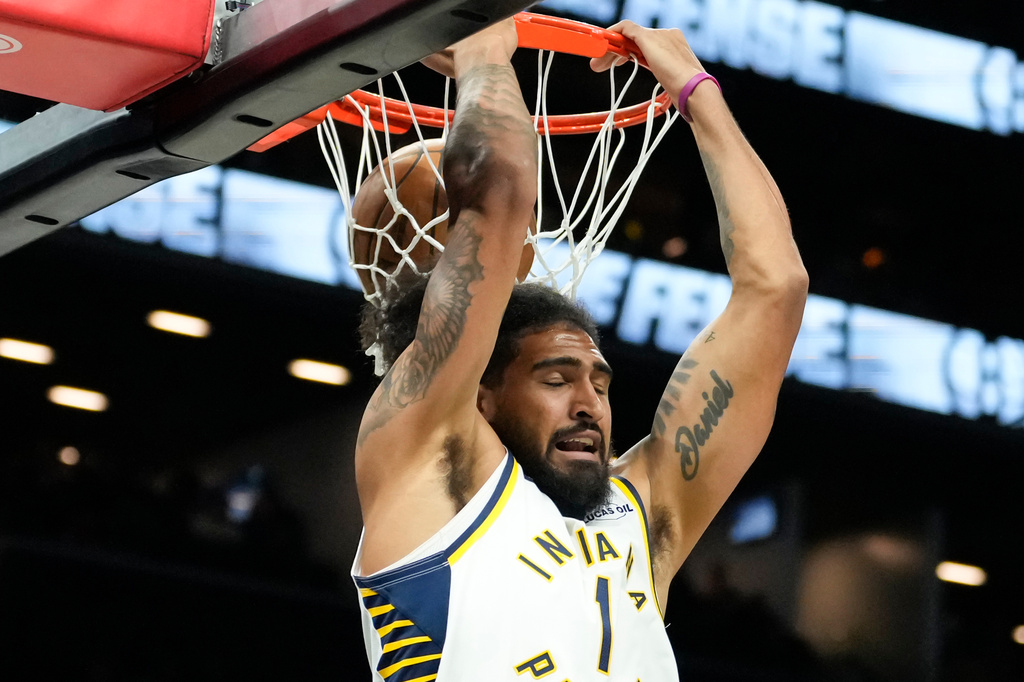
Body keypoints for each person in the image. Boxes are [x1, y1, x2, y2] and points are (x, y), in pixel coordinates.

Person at [350, 17, 808, 682]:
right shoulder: (428, 463)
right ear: (481, 391)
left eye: (599, 380)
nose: (590, 403)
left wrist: (697, 91)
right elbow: (500, 200)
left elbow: (777, 288)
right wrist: (485, 54)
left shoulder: (639, 521)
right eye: (556, 377)